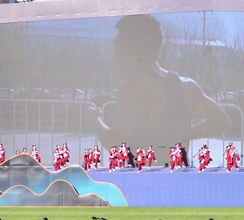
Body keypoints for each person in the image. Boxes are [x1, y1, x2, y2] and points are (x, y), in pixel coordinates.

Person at [85, 15, 230, 152]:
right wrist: (183, 134)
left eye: (118, 46)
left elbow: (116, 144)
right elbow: (223, 121)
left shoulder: (131, 88)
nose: (115, 54)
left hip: (144, 171)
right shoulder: (186, 86)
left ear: (132, 49)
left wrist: (95, 121)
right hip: (177, 170)